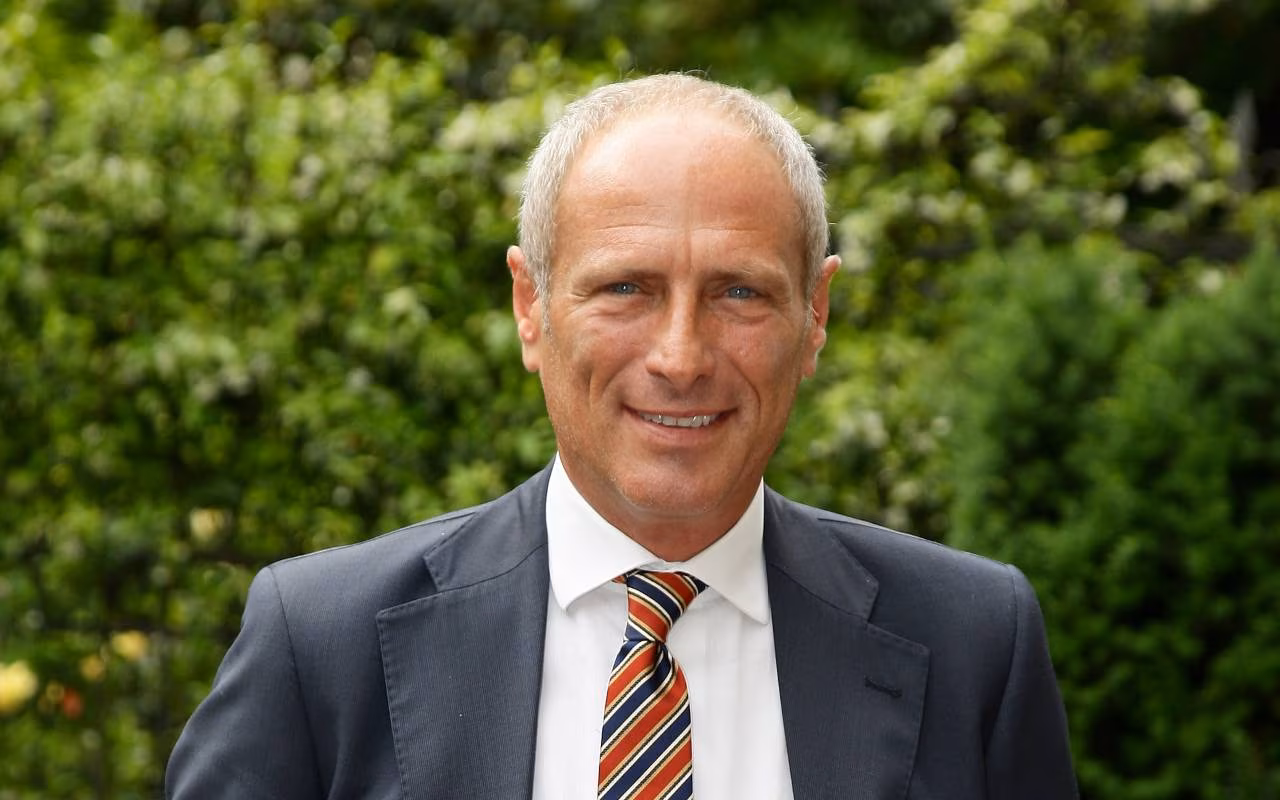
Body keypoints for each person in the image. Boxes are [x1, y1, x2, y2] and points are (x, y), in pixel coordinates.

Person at [166, 73, 1078, 799]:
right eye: (625, 289)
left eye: (739, 292)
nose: (681, 358)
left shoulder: (972, 644)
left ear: (816, 315)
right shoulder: (321, 646)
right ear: (530, 307)